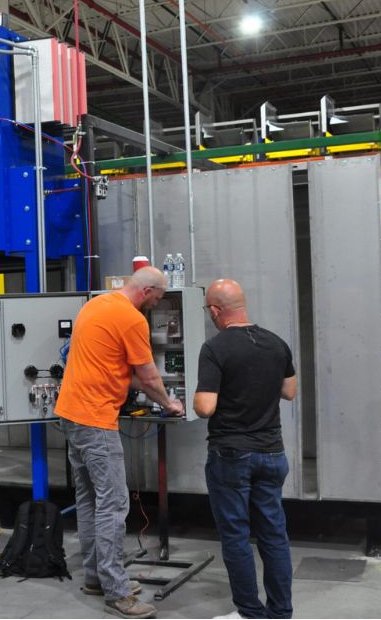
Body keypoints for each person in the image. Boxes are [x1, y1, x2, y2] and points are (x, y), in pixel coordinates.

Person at [55, 266, 185, 620]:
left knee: (89, 499)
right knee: (113, 505)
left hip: (70, 414)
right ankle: (117, 592)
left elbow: (111, 367)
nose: (156, 307)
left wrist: (140, 387)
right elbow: (147, 375)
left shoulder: (95, 305)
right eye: (158, 300)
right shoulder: (132, 319)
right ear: (148, 292)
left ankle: (96, 576)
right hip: (96, 421)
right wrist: (170, 403)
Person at [193, 279, 298, 620]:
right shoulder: (276, 343)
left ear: (214, 310)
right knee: (273, 534)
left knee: (236, 536)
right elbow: (289, 391)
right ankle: (281, 612)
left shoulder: (215, 348)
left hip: (231, 454)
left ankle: (250, 613)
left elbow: (205, 407)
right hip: (272, 452)